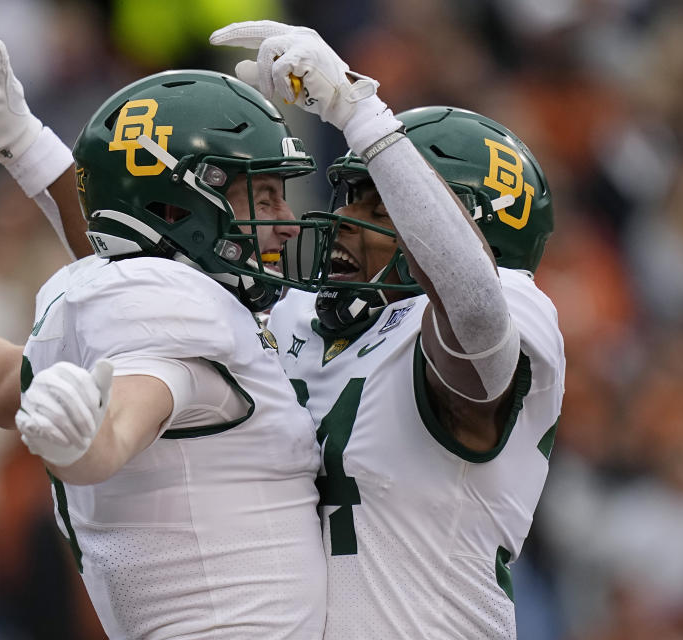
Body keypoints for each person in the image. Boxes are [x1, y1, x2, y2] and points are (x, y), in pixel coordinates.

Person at [0, 43, 327, 639]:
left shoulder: (127, 303)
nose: (286, 220)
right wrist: (82, 448)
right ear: (179, 203)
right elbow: (123, 418)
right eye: (262, 196)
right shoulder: (172, 328)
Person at [208, 21, 565, 639]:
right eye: (349, 196)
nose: (344, 218)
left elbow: (474, 309)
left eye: (382, 205)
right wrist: (34, 152)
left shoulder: (502, 307)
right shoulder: (304, 319)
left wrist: (362, 114)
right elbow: (156, 301)